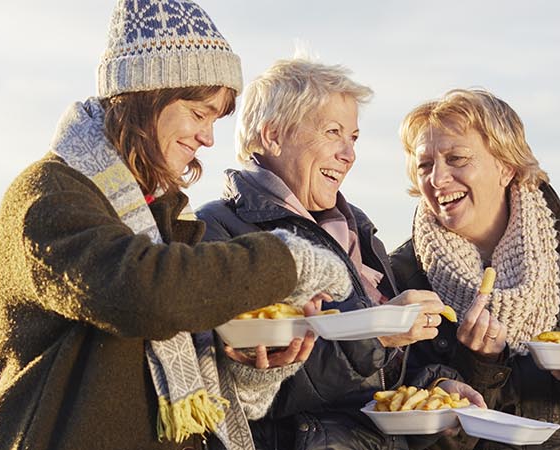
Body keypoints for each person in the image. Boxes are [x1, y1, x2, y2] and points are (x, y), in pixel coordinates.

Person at [0, 2, 360, 450]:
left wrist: (250, 369)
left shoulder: (167, 217)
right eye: (199, 113)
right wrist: (286, 258)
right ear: (145, 98)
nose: (209, 138)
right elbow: (146, 292)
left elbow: (190, 368)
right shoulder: (48, 195)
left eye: (215, 120)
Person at [197, 56, 484, 450]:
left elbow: (383, 381)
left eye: (353, 137)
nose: (349, 154)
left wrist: (436, 384)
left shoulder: (355, 228)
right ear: (273, 135)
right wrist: (374, 335)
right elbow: (238, 389)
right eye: (333, 132)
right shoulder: (218, 231)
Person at [389, 89, 560, 449]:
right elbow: (409, 424)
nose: (437, 179)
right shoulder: (404, 272)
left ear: (506, 167)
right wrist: (479, 366)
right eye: (424, 165)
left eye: (457, 158)